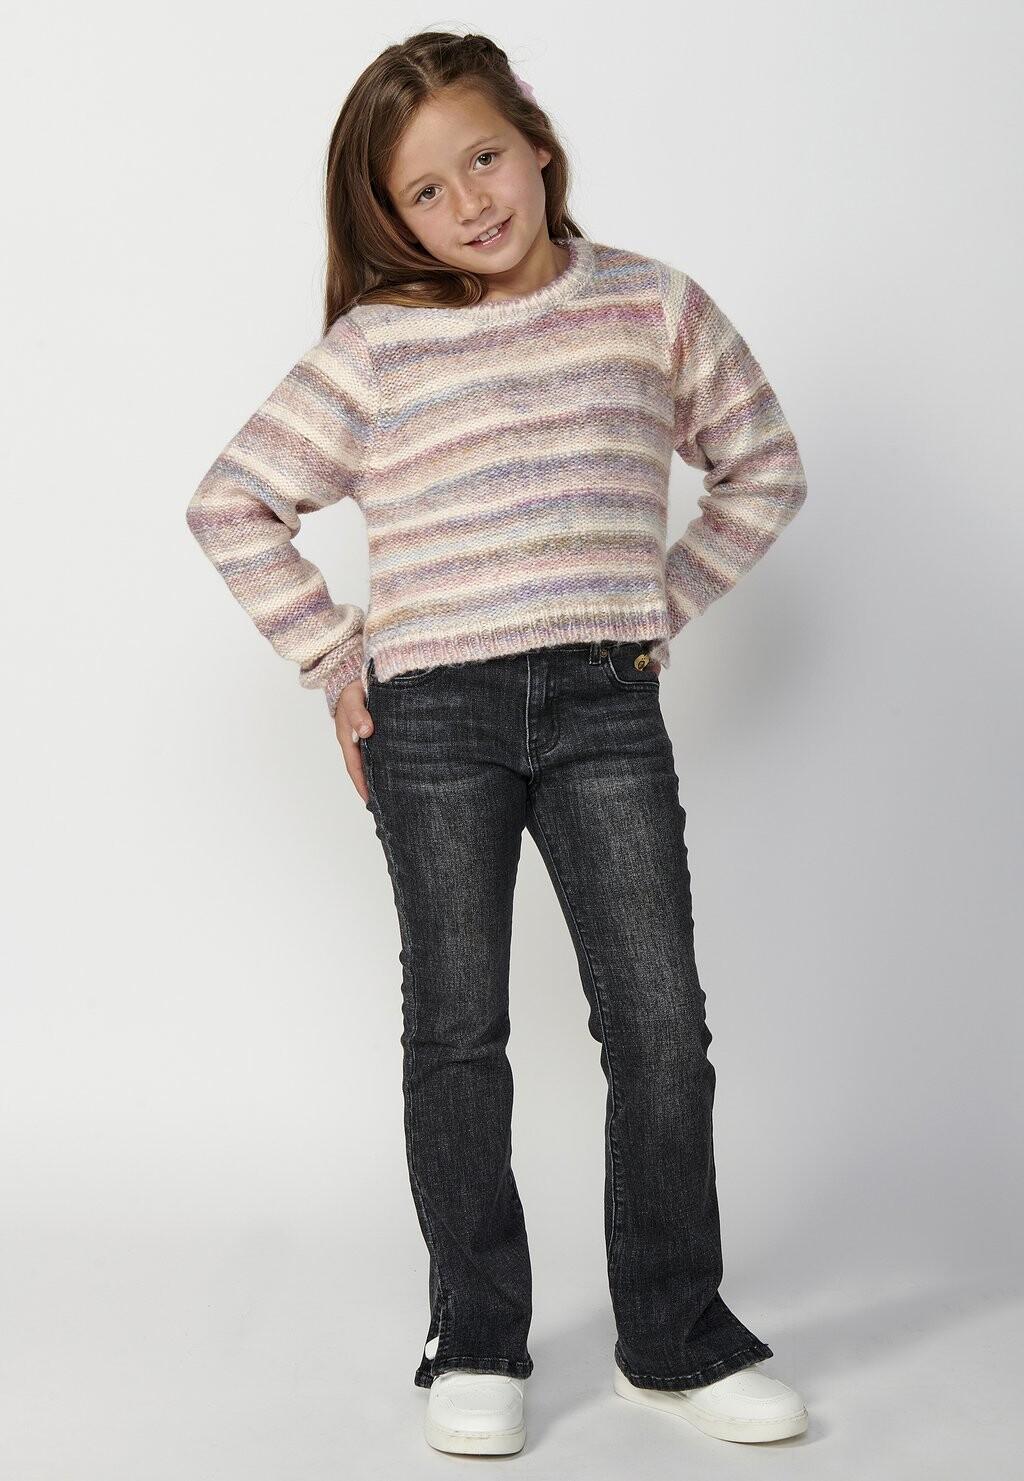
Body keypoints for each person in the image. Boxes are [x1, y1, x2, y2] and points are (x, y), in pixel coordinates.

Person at [186, 28, 810, 1458]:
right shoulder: (375, 349)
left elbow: (763, 465)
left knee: (659, 1023)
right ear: (388, 216)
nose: (470, 202)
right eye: (426, 190)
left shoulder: (650, 306)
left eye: (484, 158)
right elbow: (232, 502)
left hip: (605, 705)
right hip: (435, 723)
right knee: (458, 1029)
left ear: (536, 141)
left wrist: (659, 596)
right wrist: (334, 660)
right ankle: (475, 1334)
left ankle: (676, 1336)